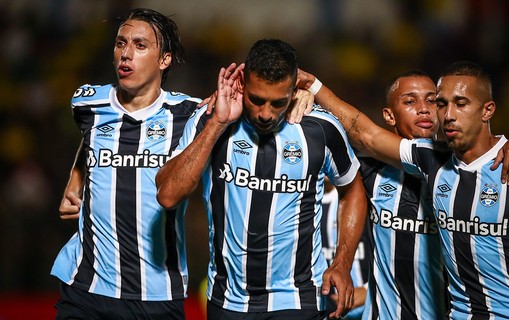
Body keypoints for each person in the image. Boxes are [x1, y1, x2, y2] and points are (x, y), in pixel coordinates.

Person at [155, 39, 367, 320]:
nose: (266, 113)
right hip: (228, 301)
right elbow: (168, 194)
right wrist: (217, 124)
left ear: (294, 91)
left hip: (298, 299)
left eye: (278, 102)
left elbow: (352, 190)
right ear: (241, 83)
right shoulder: (210, 121)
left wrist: (341, 263)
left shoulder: (321, 129)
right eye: (257, 99)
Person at [297, 61, 509, 319]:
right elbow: (365, 135)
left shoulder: (502, 164)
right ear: (389, 115)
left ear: (487, 110)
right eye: (442, 104)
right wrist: (309, 90)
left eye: (434, 102)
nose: (437, 112)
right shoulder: (416, 161)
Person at [51, 8, 201, 319]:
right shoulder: (87, 103)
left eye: (140, 45)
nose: (126, 54)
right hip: (85, 288)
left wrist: (306, 94)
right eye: (121, 43)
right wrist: (76, 175)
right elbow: (90, 139)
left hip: (156, 294)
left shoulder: (190, 114)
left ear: (165, 60)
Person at [357, 71, 448, 319]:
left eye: (432, 101)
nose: (423, 109)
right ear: (389, 115)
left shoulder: (460, 169)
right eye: (410, 102)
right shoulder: (368, 169)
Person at [321, 178, 369, 320]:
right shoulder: (304, 202)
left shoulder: (363, 197)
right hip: (326, 310)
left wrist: (367, 291)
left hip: (369, 307)